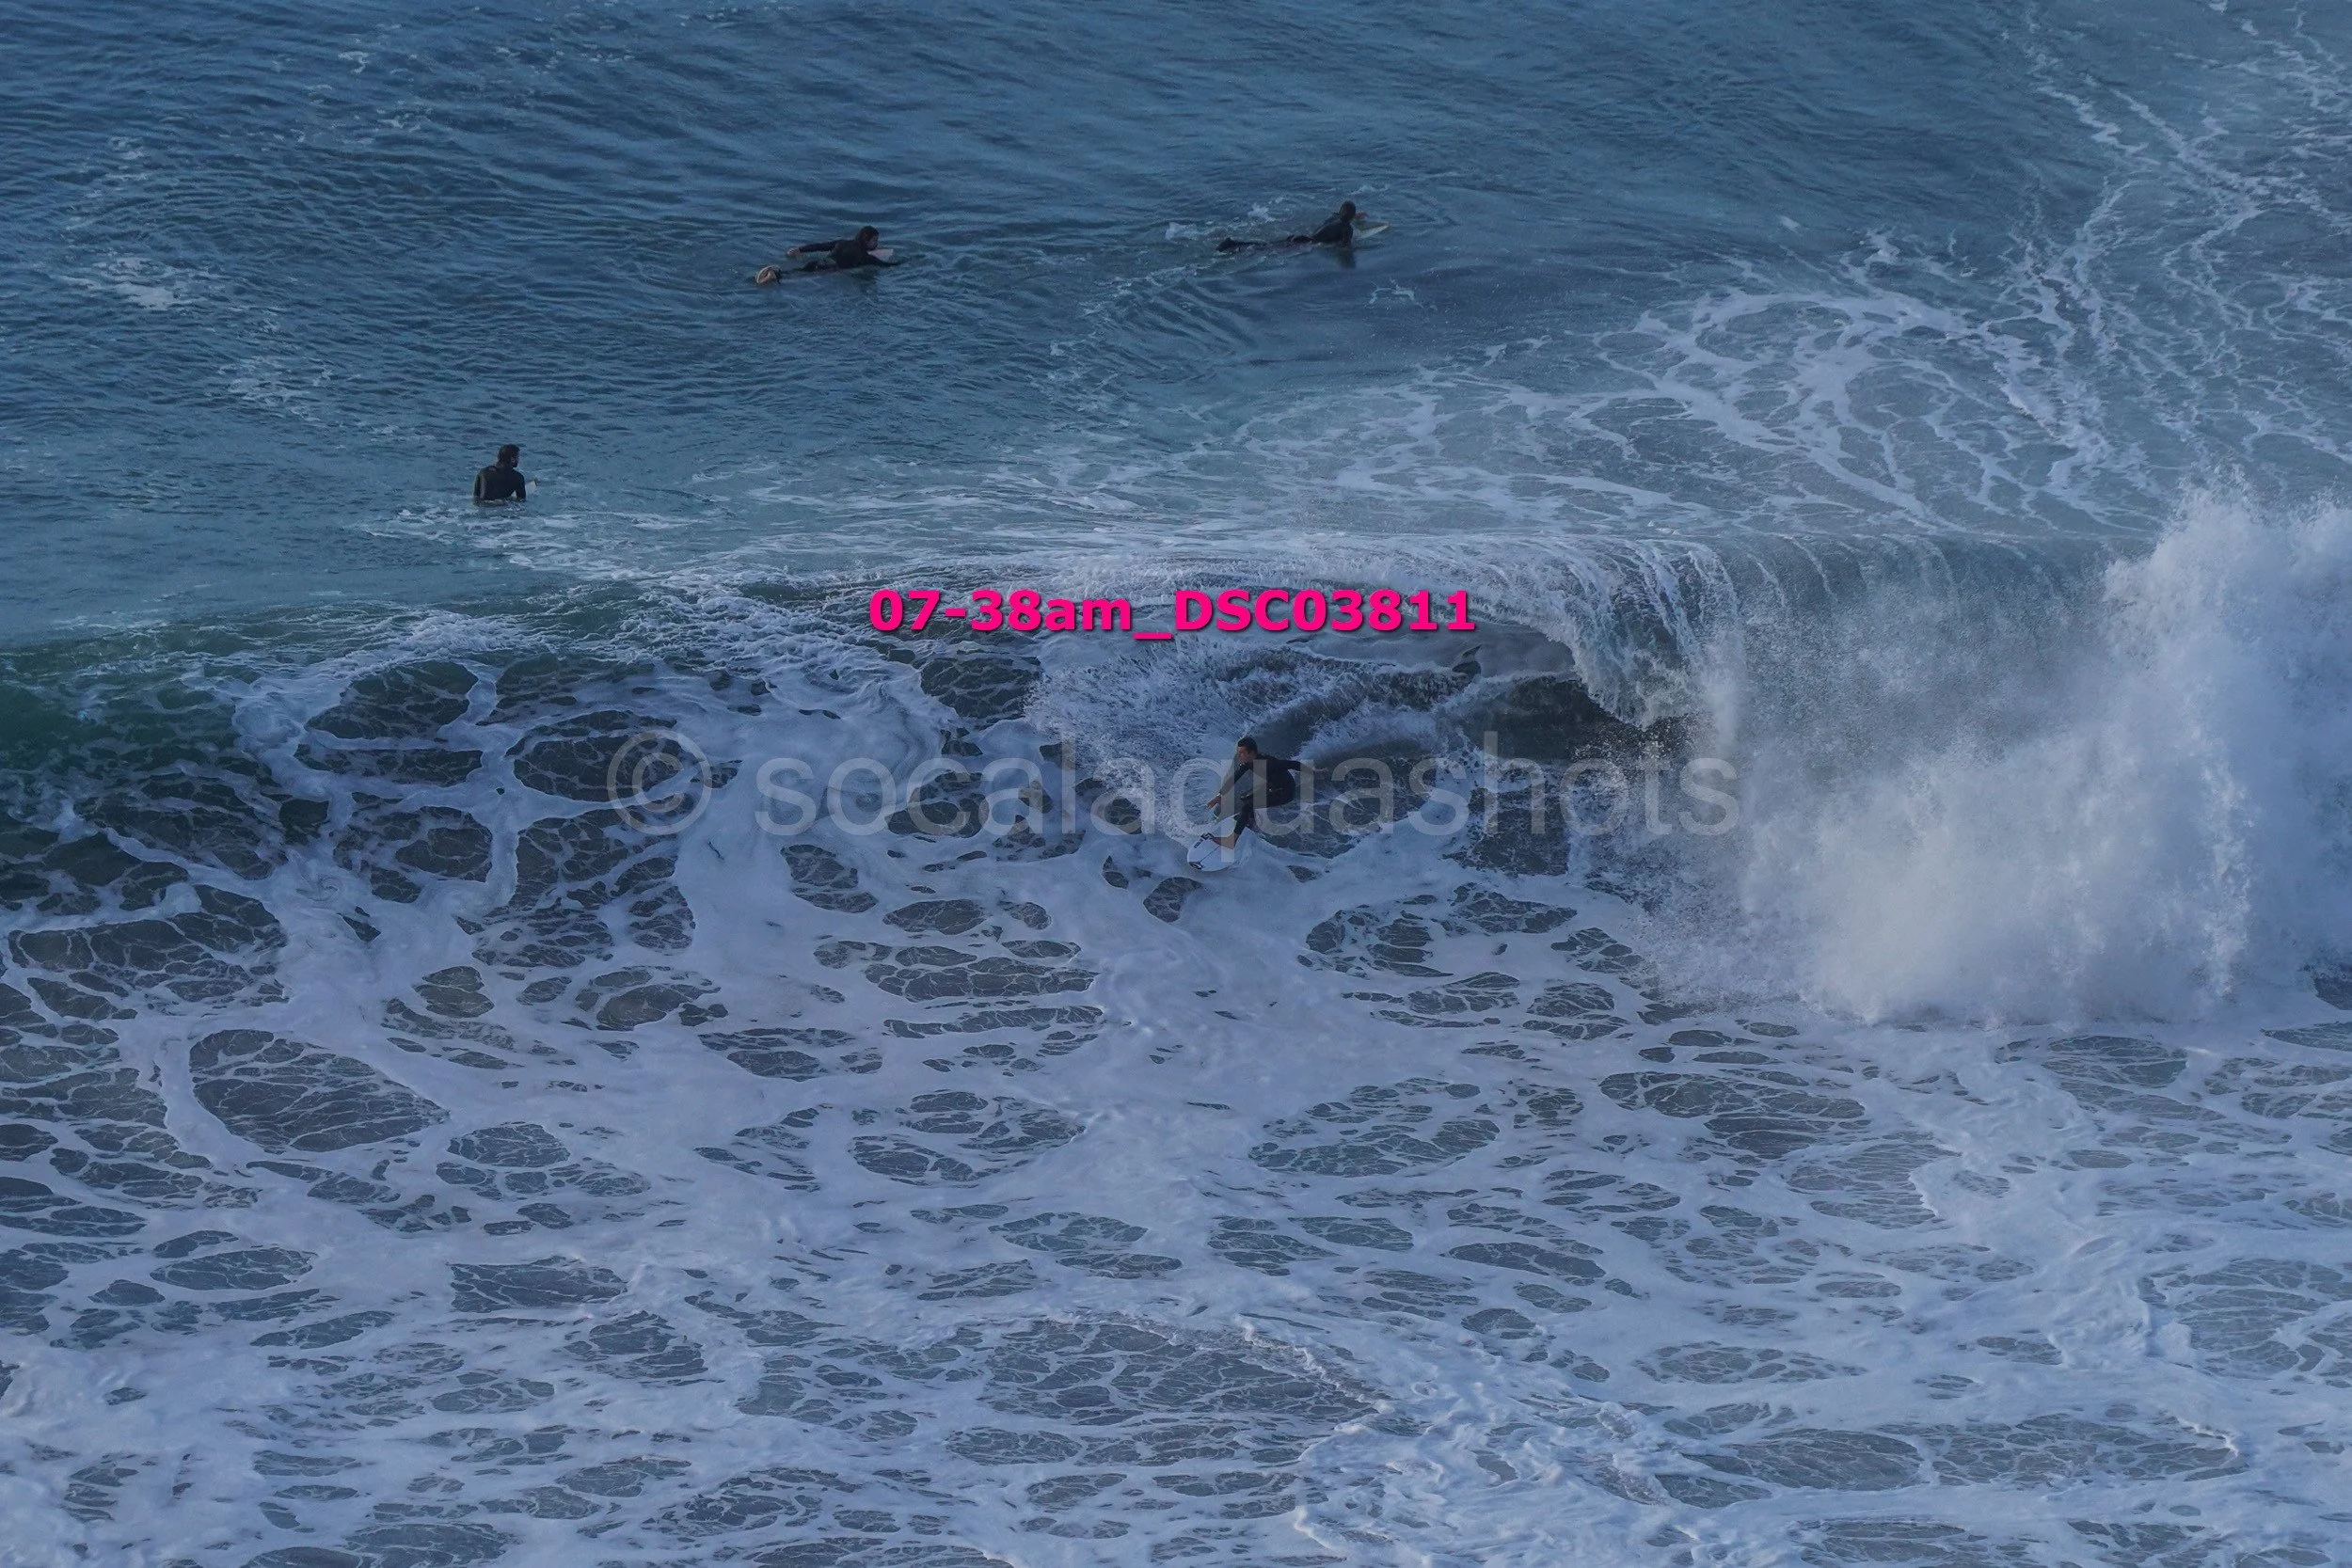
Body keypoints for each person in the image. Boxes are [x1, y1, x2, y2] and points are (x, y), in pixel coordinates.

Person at [1204, 736, 1302, 848]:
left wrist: (1313, 771)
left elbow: (1294, 764)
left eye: (1242, 753)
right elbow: (1235, 777)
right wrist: (1219, 795)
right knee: (1245, 798)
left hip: (1285, 792)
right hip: (1272, 785)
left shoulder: (1268, 762)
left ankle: (1231, 841)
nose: (1238, 755)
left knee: (1248, 807)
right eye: (1238, 752)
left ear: (1252, 753)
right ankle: (1249, 823)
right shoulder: (1248, 762)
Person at [755, 226, 898, 283]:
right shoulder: (865, 257)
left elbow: (821, 246)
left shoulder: (842, 242)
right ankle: (774, 275)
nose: (876, 244)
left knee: (798, 271)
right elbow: (885, 265)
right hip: (828, 269)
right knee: (797, 275)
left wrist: (800, 249)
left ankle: (774, 273)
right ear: (866, 240)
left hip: (820, 262)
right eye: (874, 240)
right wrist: (903, 263)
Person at [1216, 200, 1361, 253]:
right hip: (1305, 242)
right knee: (1266, 249)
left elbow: (1338, 214)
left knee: (1268, 246)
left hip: (1300, 237)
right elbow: (1345, 247)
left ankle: (1234, 244)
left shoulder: (1334, 219)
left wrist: (1354, 215)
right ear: (1351, 216)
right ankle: (1233, 245)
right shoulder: (1347, 228)